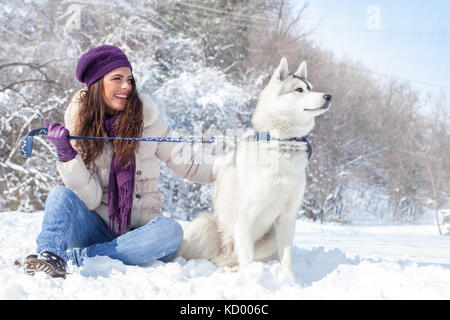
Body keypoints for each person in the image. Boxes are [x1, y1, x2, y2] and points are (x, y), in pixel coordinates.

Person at [23, 45, 216, 278]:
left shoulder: (149, 122)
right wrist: (68, 157)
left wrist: (229, 167)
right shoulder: (81, 128)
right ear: (97, 84)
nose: (127, 86)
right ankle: (50, 255)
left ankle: (82, 257)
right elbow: (91, 198)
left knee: (171, 231)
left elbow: (189, 162)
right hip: (97, 227)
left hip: (142, 233)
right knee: (59, 195)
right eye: (117, 78)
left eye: (129, 79)